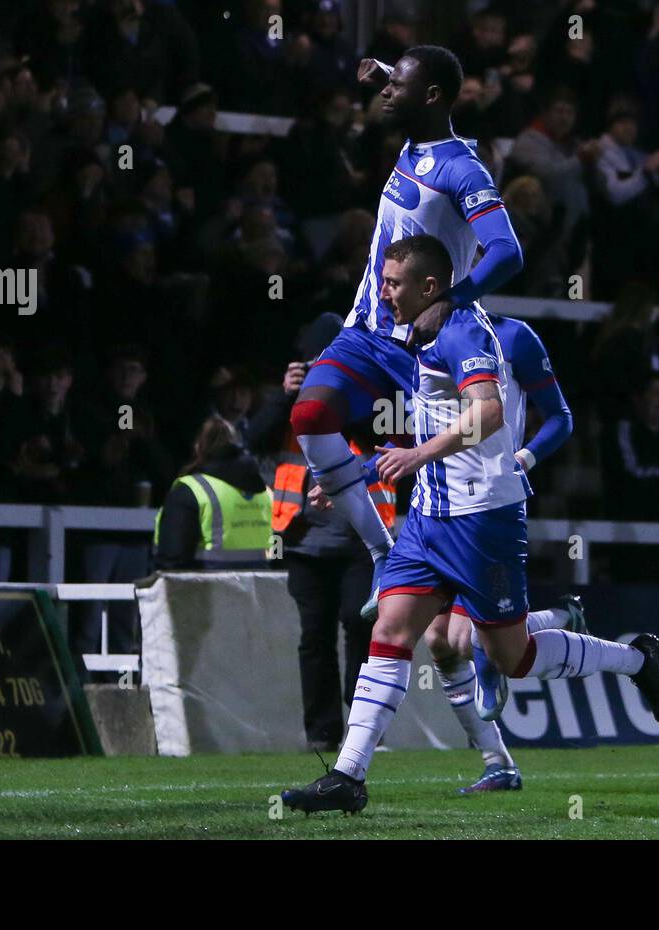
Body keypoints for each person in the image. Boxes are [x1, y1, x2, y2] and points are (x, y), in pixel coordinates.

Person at [281, 235, 659, 815]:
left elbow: (488, 413)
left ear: (430, 286)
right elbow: (430, 426)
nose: (381, 293)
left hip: (481, 518)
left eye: (392, 283)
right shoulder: (415, 336)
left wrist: (417, 458)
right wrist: (361, 469)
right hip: (429, 514)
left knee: (509, 653)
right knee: (393, 630)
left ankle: (638, 659)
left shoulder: (467, 331)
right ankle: (349, 774)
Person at [288, 45, 523, 622]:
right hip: (367, 328)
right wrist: (386, 75)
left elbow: (508, 251)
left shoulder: (462, 171)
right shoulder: (417, 141)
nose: (385, 94)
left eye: (398, 87)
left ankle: (497, 625)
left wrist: (450, 300)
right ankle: (380, 552)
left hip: (423, 352)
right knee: (308, 416)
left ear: (434, 97)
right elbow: (417, 88)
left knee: (457, 495)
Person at [245, 314, 393, 753]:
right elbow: (253, 441)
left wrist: (340, 393)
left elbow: (379, 437)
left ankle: (364, 730)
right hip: (303, 540)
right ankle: (323, 731)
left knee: (358, 624)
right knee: (315, 636)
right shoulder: (292, 400)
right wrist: (285, 396)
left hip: (362, 537)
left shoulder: (367, 392)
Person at [153, 415, 272, 570]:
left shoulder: (190, 489)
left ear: (197, 446)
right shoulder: (264, 491)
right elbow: (276, 553)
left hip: (207, 589)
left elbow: (173, 558)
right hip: (256, 590)